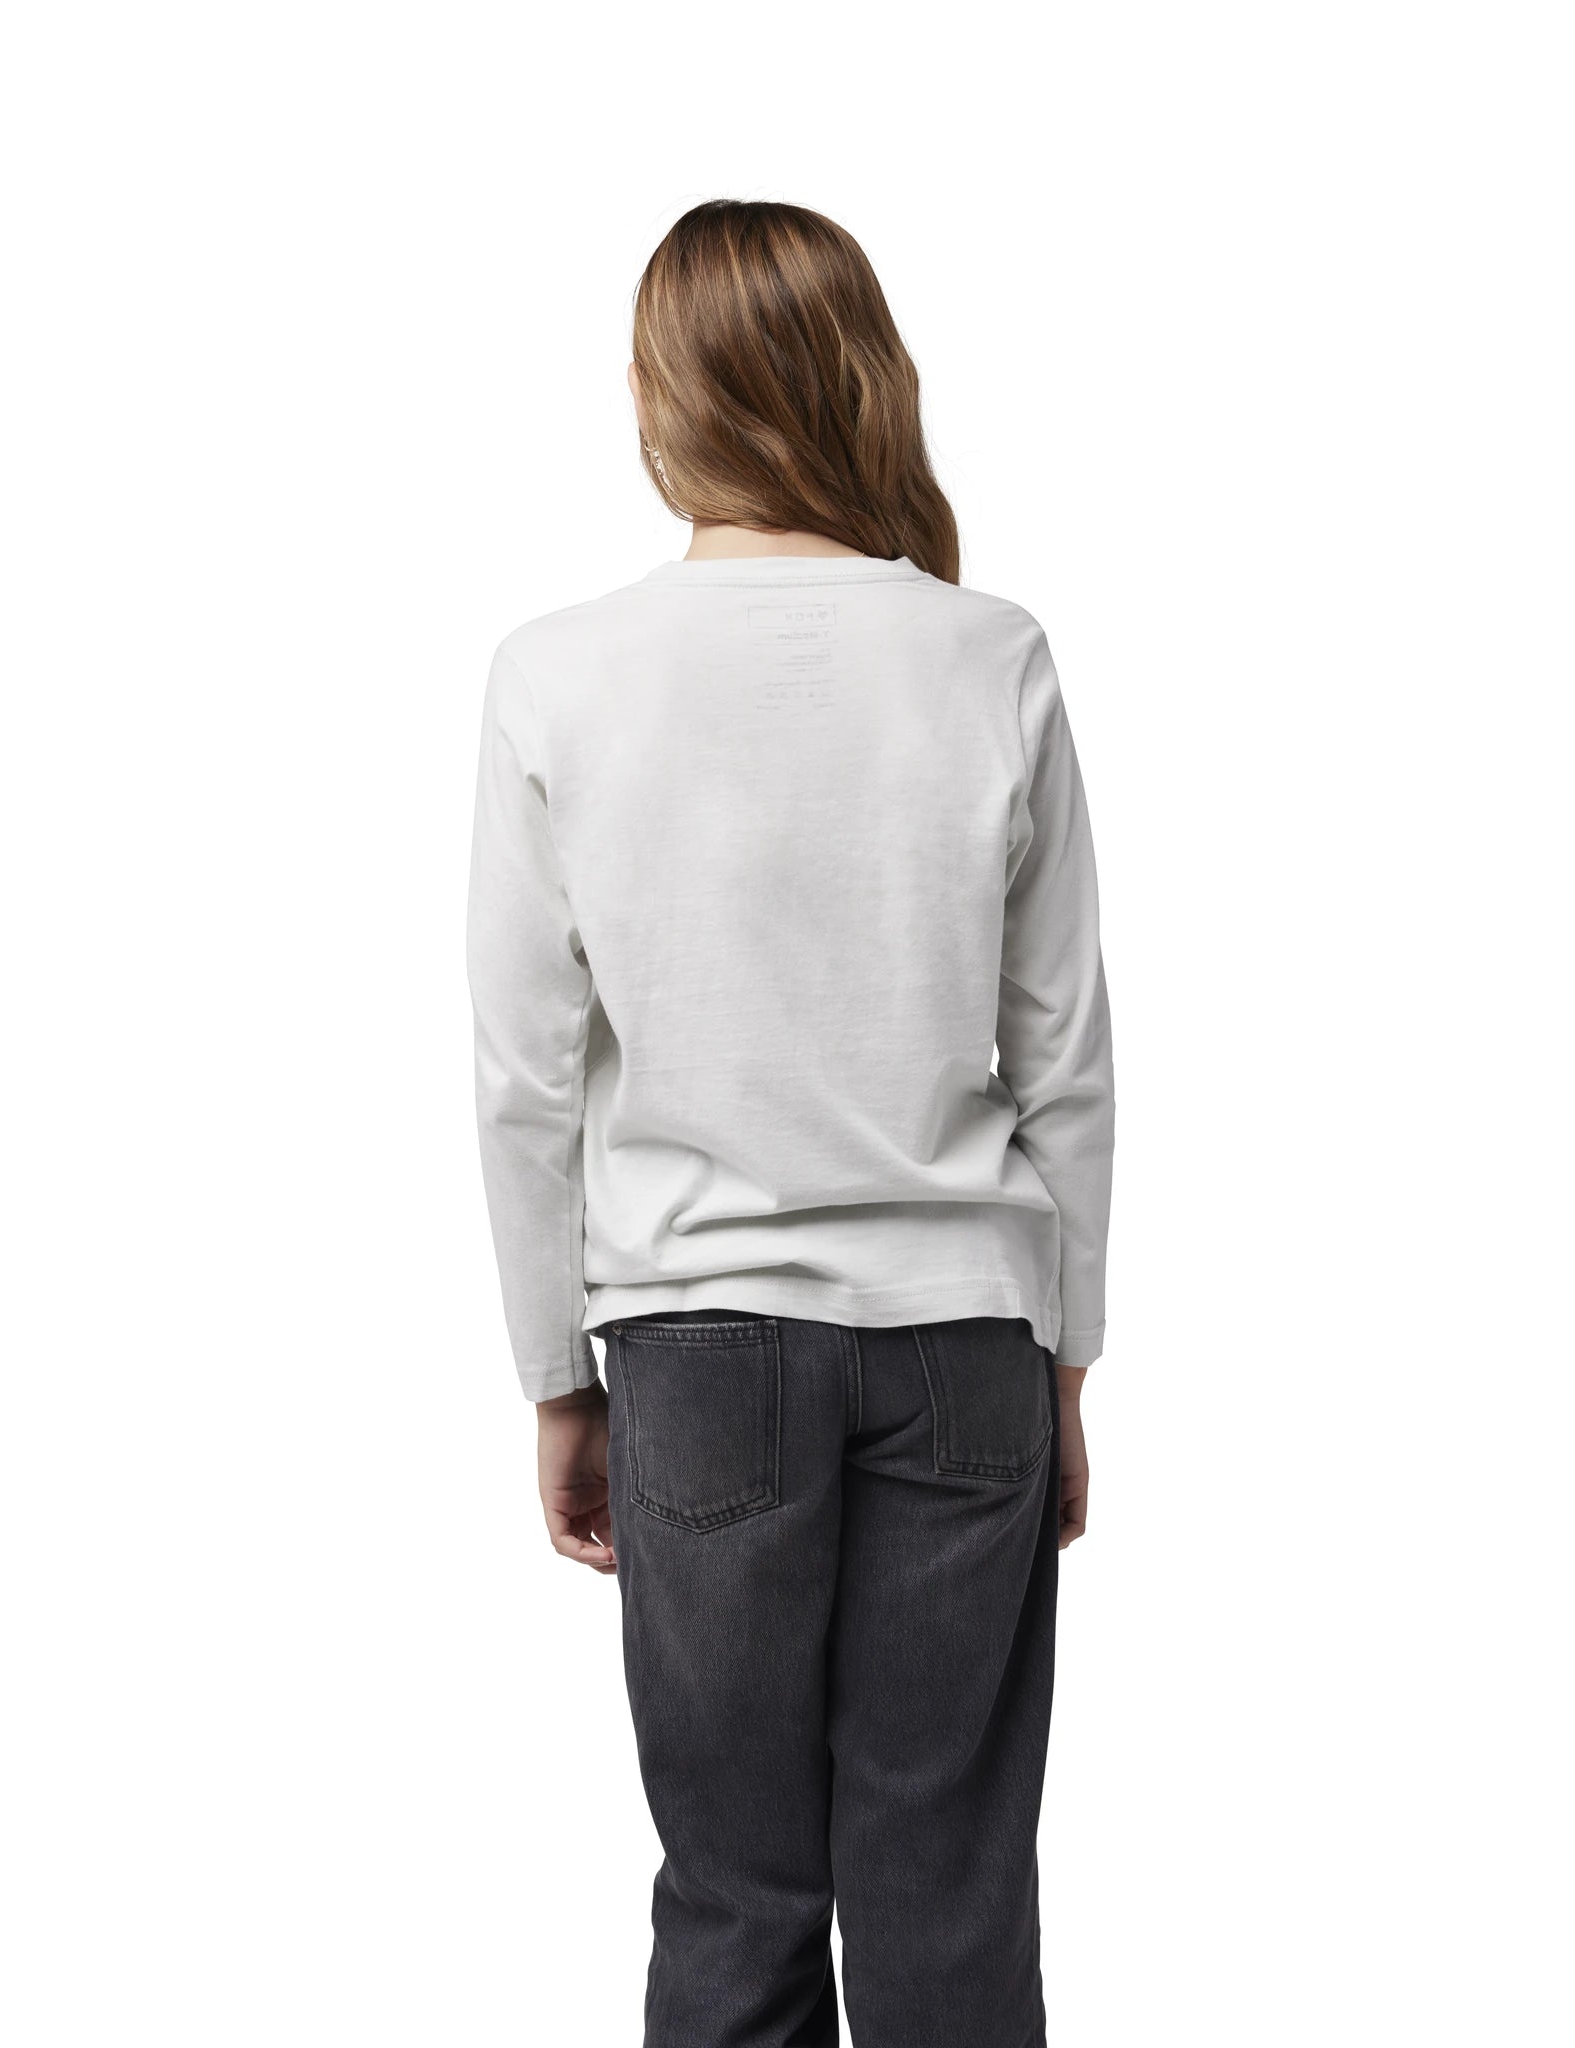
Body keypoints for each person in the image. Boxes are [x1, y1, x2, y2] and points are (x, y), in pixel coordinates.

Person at [467, 199, 1113, 2048]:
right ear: (863, 378)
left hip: (699, 1353)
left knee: (737, 1897)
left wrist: (558, 1378)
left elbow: (524, 1078)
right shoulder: (990, 655)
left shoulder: (560, 674)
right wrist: (1066, 1362)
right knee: (949, 1903)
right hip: (964, 1347)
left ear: (660, 392)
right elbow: (1064, 1056)